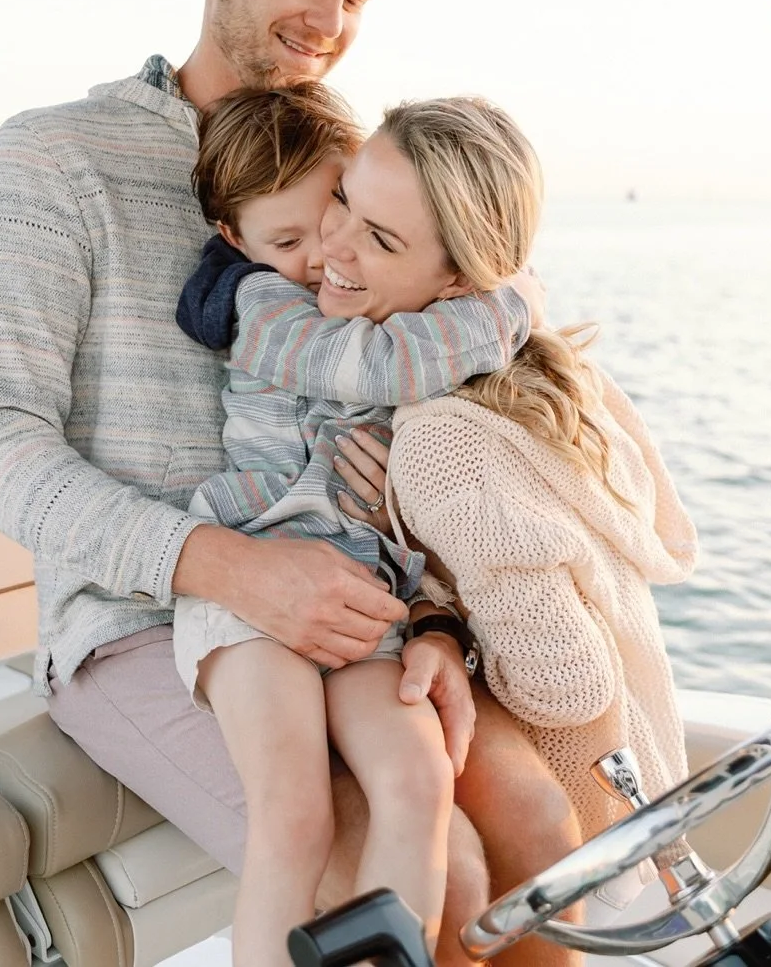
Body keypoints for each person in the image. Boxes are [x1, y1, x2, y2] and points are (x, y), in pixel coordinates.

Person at [0, 0, 581, 967]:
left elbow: (410, 365)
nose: (327, 18)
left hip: (352, 581)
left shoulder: (347, 150)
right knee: (433, 888)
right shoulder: (55, 159)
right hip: (139, 617)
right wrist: (233, 569)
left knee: (539, 829)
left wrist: (430, 612)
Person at [174, 82, 532, 964]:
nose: (320, 255)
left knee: (417, 781)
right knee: (294, 814)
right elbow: (370, 367)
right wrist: (512, 303)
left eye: (347, 213)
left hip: (361, 589)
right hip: (252, 576)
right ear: (239, 242)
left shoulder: (409, 313)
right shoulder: (262, 308)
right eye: (289, 236)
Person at [306, 96, 694, 852]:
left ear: (458, 283)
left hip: (575, 827)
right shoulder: (555, 368)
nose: (333, 247)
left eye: (381, 240)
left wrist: (429, 604)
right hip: (650, 784)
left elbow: (563, 683)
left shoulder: (440, 449)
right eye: (343, 200)